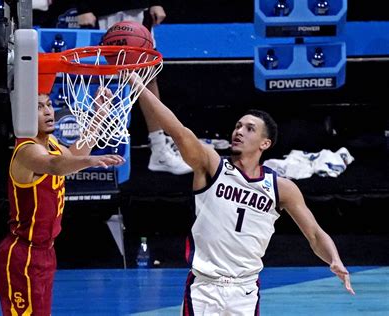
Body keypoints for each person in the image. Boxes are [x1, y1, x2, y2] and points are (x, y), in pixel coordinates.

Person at [130, 77, 355, 315]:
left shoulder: (281, 188)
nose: (239, 131)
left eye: (249, 129)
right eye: (238, 126)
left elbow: (315, 235)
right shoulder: (212, 165)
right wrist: (139, 86)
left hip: (246, 290)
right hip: (205, 288)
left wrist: (334, 259)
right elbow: (178, 131)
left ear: (265, 143)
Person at [0, 91, 124, 315]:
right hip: (22, 254)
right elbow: (55, 166)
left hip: (45, 252)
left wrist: (100, 115)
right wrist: (90, 161)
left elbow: (72, 155)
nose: (48, 111)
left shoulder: (51, 143)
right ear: (22, 114)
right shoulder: (26, 151)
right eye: (38, 107)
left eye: (49, 104)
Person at [76, 1, 193, 175]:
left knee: (148, 77)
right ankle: (86, 154)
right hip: (104, 14)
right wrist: (83, 7)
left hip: (139, 12)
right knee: (102, 80)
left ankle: (159, 149)